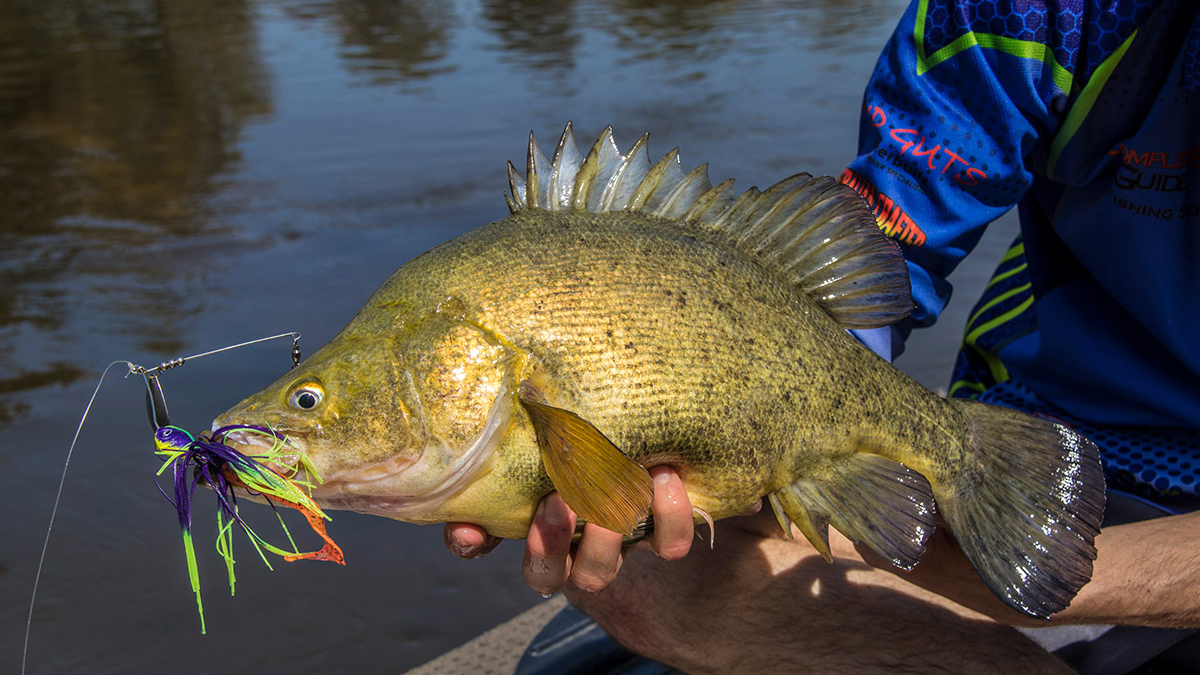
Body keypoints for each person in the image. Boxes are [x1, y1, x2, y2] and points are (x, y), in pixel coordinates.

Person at [446, 0, 1200, 671]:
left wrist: (1040, 584)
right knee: (640, 573)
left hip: (1088, 542)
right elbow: (883, 252)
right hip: (1050, 435)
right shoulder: (1047, 12)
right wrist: (742, 430)